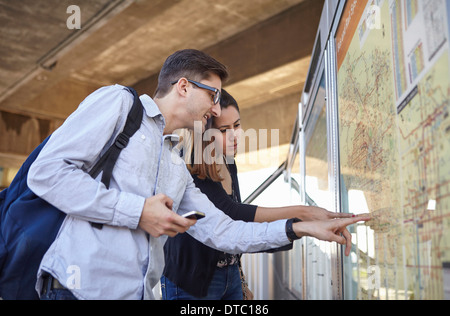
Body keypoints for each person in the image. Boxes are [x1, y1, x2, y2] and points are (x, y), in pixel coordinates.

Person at [27, 49, 369, 300]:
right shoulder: (118, 103)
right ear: (184, 87)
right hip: (76, 290)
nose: (216, 108)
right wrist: (138, 212)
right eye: (213, 94)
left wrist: (299, 227)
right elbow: (46, 173)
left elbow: (223, 230)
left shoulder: (176, 162)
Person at [161, 90, 356, 300]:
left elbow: (236, 229)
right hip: (191, 283)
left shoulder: (228, 162)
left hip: (230, 276)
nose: (234, 135)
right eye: (224, 130)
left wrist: (240, 279)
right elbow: (232, 213)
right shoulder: (189, 167)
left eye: (237, 125)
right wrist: (306, 213)